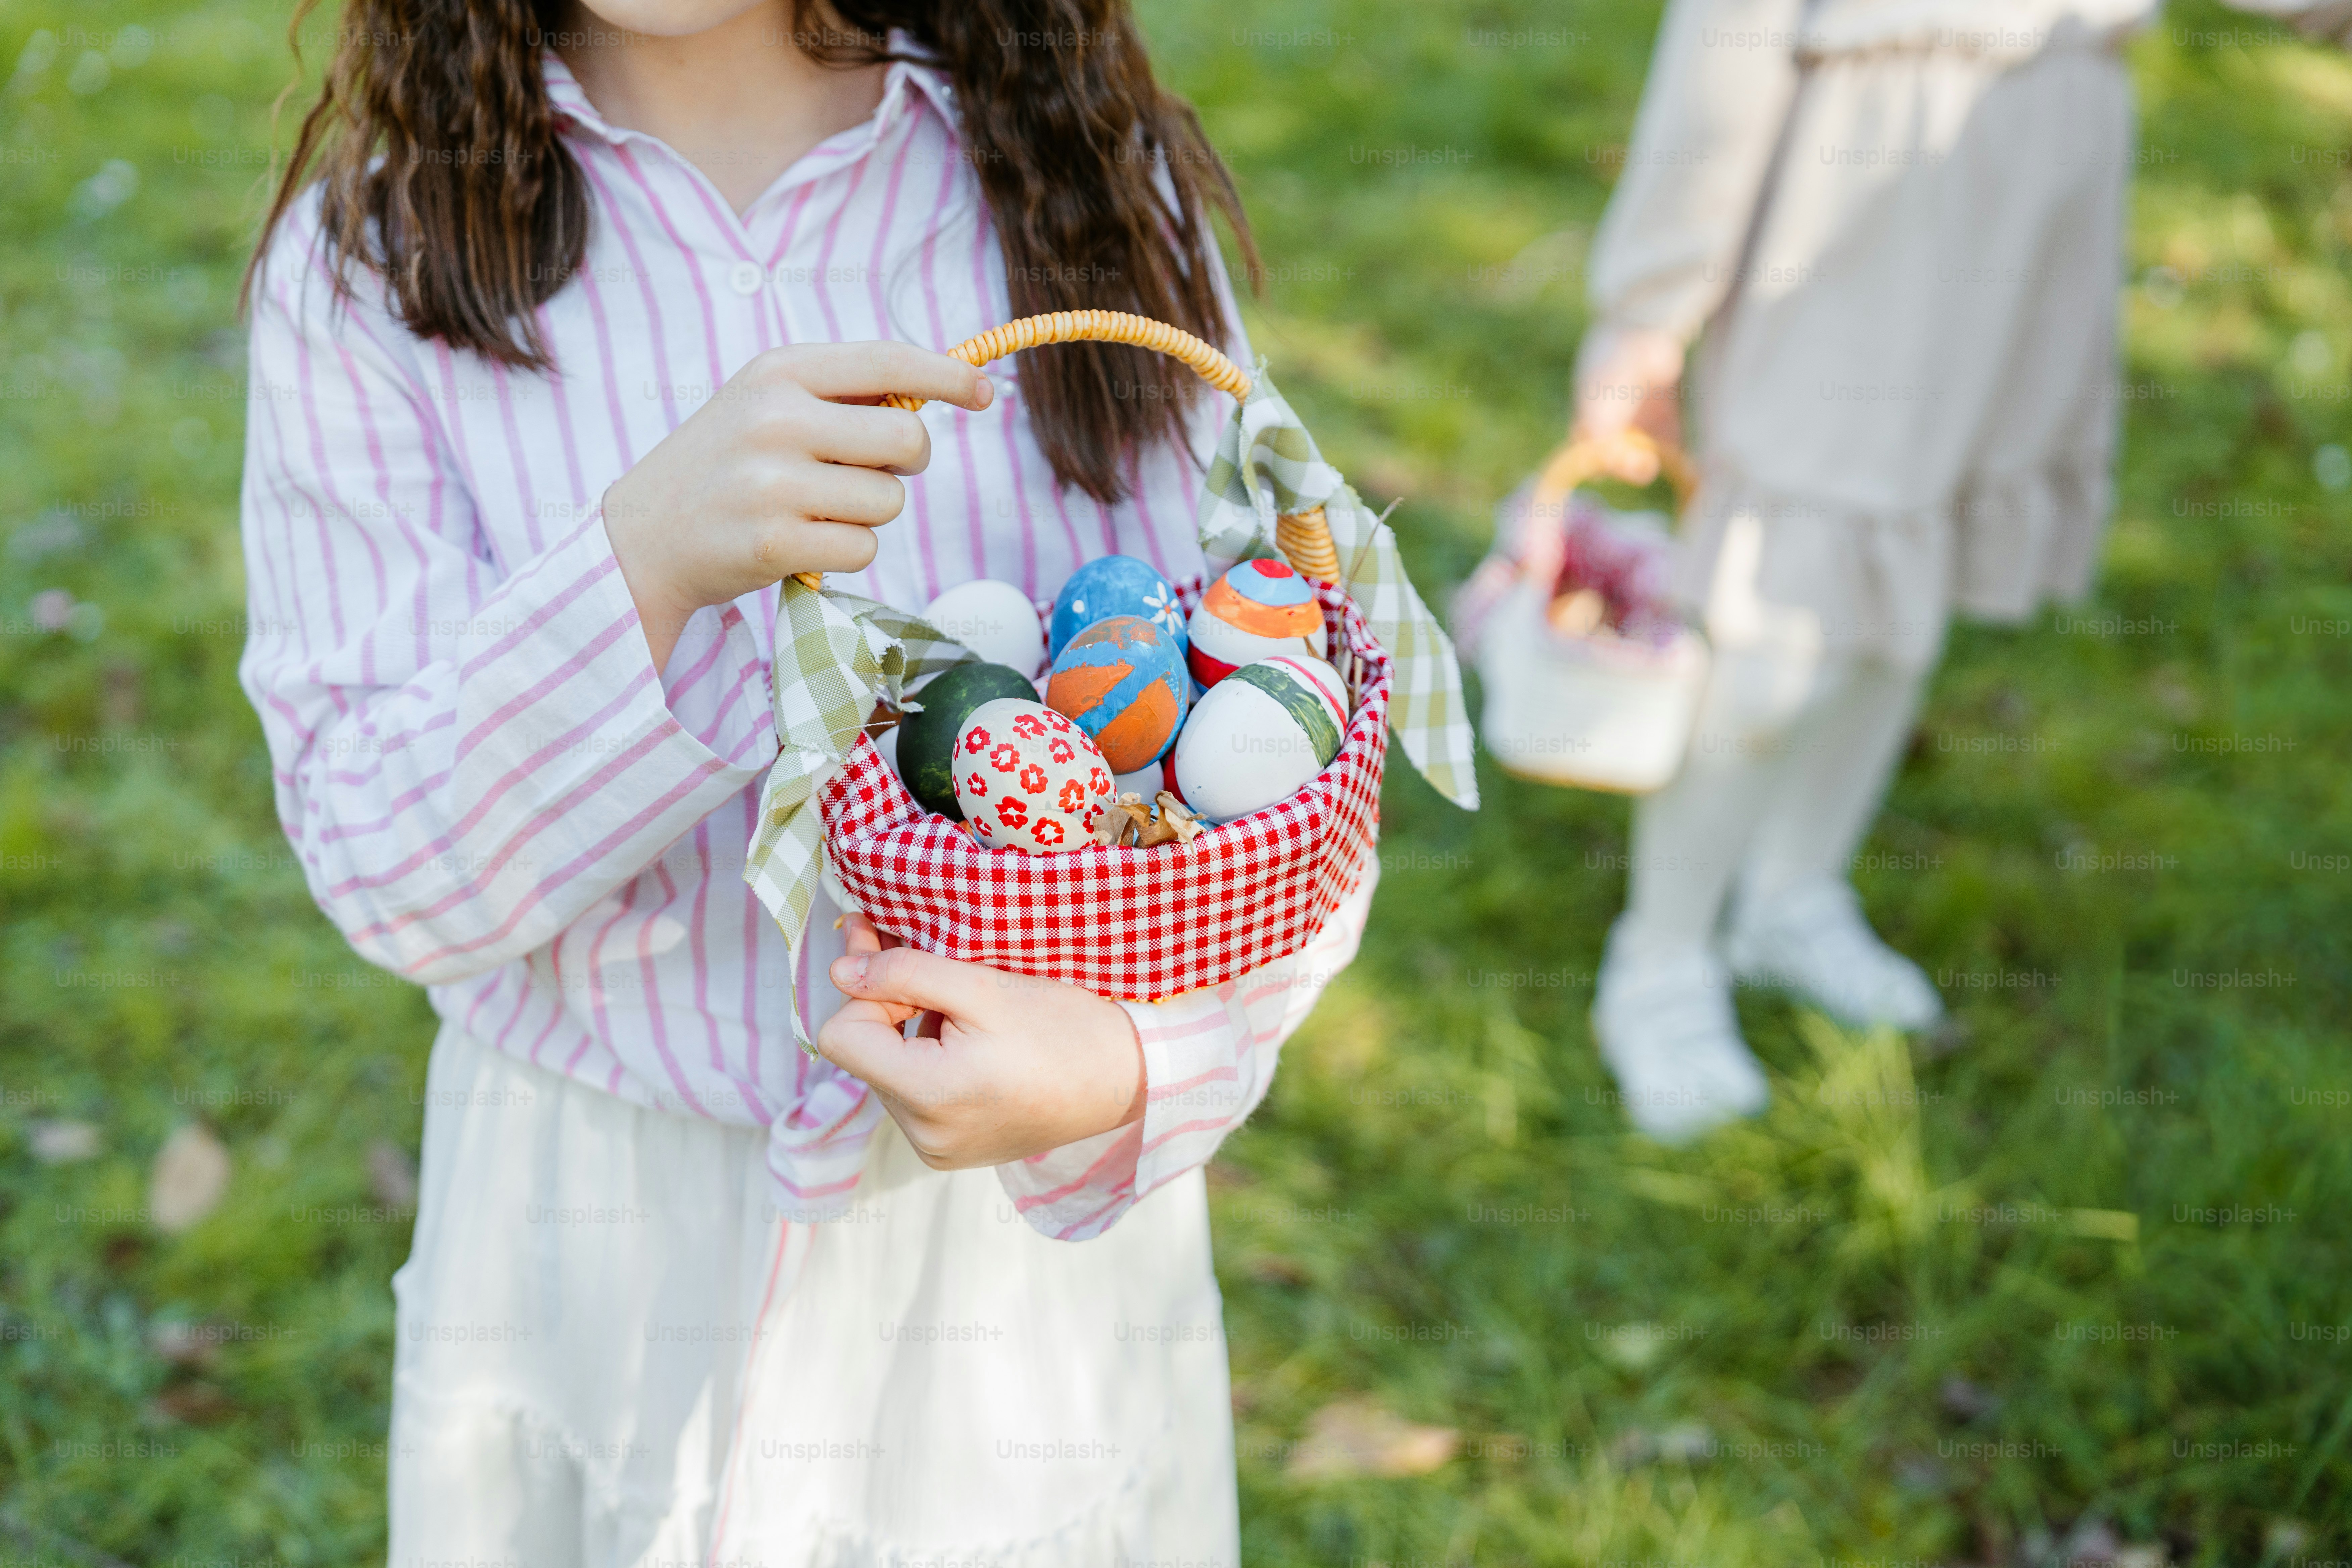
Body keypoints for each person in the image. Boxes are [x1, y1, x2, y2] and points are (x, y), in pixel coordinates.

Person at [236, 1, 1369, 1560]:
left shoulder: (1084, 188)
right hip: (602, 1223)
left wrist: (1130, 1064)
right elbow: (382, 866)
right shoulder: (374, 265)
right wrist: (646, 567)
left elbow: (1290, 756)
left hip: (1012, 1235)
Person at [1571, 0, 2350, 1140]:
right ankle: (1662, 960)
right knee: (1786, 605)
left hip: (2058, 127)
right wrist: (1650, 305)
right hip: (1870, 154)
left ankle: (1793, 893)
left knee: (1914, 569)